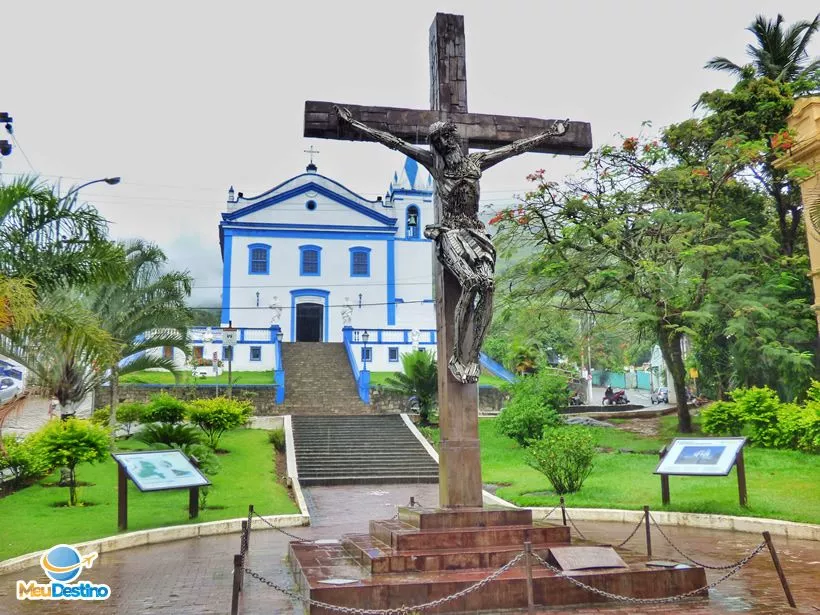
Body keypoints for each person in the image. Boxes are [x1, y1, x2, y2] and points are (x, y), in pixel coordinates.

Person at [335, 106, 569, 383]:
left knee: (488, 286)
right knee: (471, 282)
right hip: (450, 232)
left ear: (454, 138)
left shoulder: (477, 163)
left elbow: (515, 148)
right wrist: (354, 125)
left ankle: (474, 356)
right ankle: (458, 355)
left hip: (476, 232)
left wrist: (549, 134)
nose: (444, 145)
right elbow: (392, 142)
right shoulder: (435, 166)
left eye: (446, 138)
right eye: (438, 142)